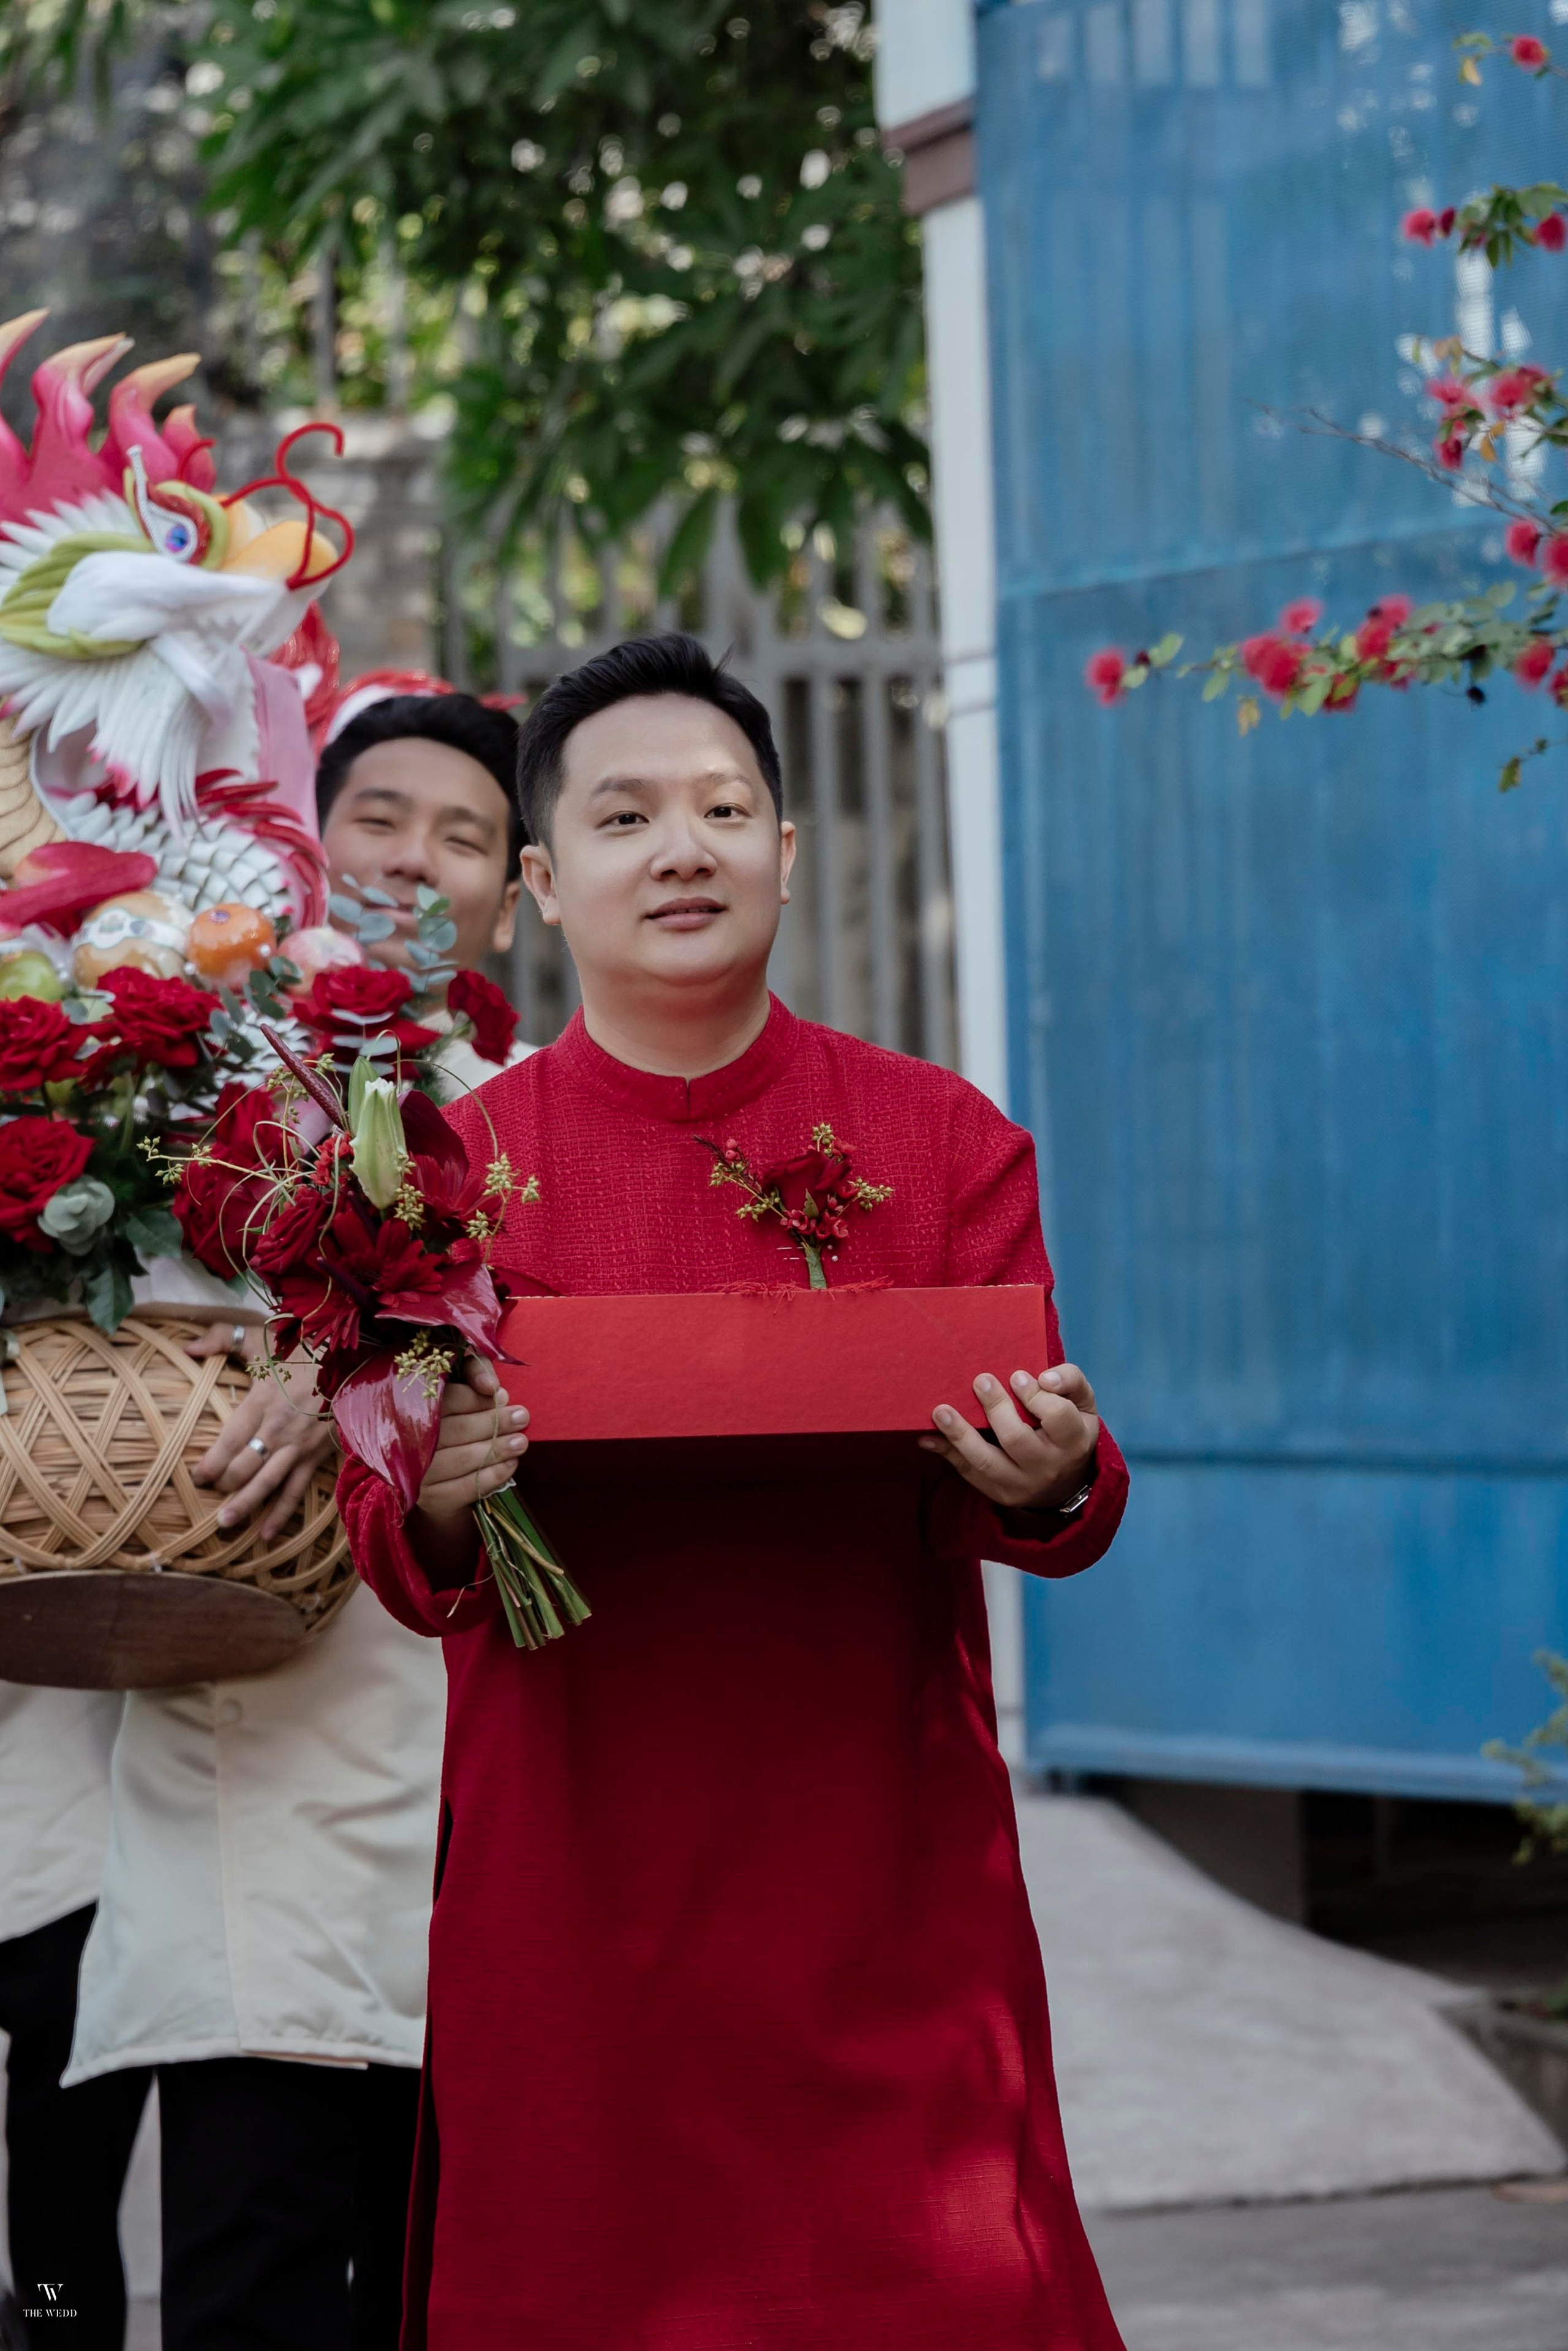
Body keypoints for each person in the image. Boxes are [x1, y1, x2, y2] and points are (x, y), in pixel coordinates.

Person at [341, 632, 1132, 2349]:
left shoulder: (939, 1138)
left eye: (721, 806)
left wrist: (1054, 1470)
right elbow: (391, 1538)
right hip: (574, 1879)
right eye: (624, 816)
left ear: (788, 848)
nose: (681, 846)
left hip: (880, 1877)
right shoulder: (447, 1174)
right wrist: (450, 1492)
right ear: (543, 883)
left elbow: (1054, 1466)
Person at [62, 691, 532, 2351]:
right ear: (316, 837)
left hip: (466, 1772)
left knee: (445, 2277)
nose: (418, 858)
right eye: (385, 817)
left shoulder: (537, 1107)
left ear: (516, 882)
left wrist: (376, 1355)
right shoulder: (186, 1080)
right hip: (245, 1757)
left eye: (466, 835)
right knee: (250, 2273)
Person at [0, 1688, 148, 2350]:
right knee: (62, 2210)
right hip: (73, 1851)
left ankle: (55, 2325)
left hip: (73, 1855)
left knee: (61, 2217)